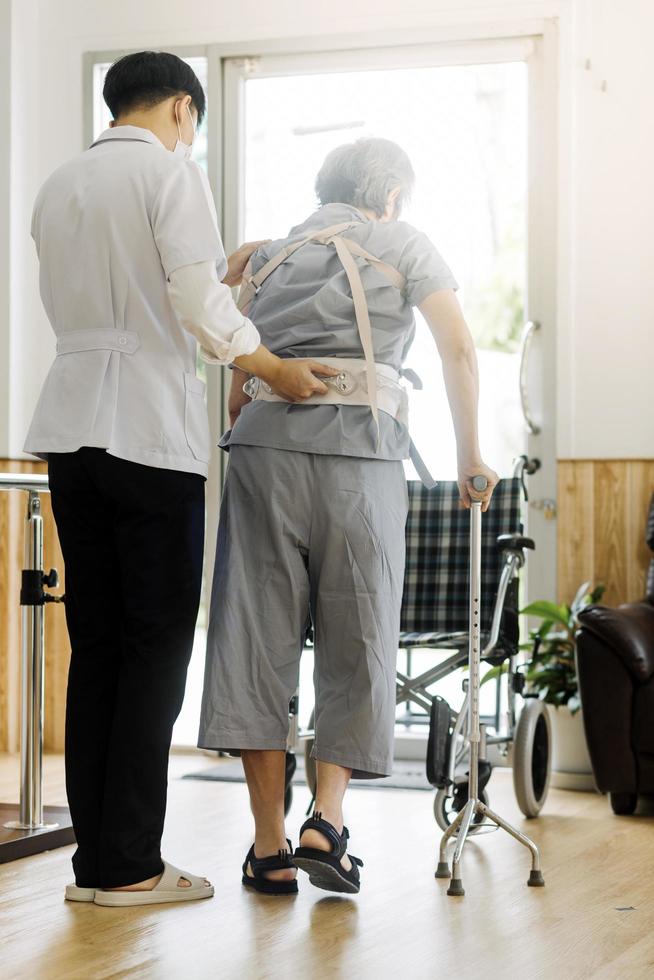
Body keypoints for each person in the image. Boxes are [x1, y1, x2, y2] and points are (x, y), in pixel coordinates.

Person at [23, 50, 337, 908]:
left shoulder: (61, 184)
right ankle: (131, 868)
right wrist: (273, 366)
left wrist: (213, 283)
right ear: (182, 111)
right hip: (147, 437)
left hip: (71, 430)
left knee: (100, 651)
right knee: (157, 650)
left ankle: (100, 865)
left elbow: (133, 290)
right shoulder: (172, 174)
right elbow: (197, 309)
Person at [198, 137, 499, 895]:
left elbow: (238, 386)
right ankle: (324, 822)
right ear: (392, 196)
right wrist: (470, 453)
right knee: (359, 633)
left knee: (252, 641)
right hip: (358, 460)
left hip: (260, 457)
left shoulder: (265, 257)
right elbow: (457, 346)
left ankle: (268, 849)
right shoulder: (402, 241)